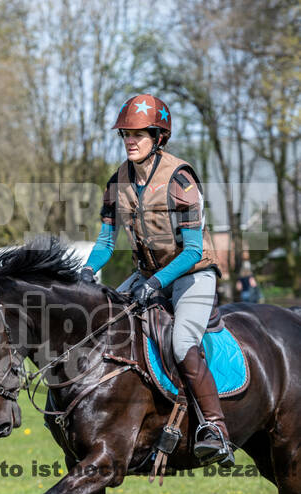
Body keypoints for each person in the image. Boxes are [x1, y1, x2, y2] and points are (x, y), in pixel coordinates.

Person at [80, 94, 234, 467]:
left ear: (158, 137)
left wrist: (157, 281)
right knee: (101, 325)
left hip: (191, 275)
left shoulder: (180, 178)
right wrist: (86, 271)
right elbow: (105, 242)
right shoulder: (117, 181)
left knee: (182, 340)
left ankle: (215, 429)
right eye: (125, 135)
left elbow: (193, 250)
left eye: (138, 134)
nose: (130, 141)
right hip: (148, 275)